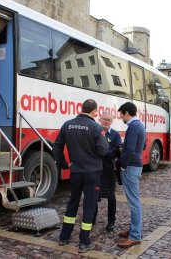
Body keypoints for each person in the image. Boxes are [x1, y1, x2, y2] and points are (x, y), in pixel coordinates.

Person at [52, 99, 109, 253]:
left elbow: (56, 147)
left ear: (81, 108)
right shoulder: (96, 127)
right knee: (89, 206)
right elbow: (103, 151)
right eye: (96, 112)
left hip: (75, 171)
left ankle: (64, 237)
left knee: (72, 203)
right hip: (92, 173)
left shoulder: (67, 124)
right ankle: (84, 242)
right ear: (93, 111)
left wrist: (65, 164)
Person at [116, 102, 146, 249]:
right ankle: (134, 229)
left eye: (121, 114)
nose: (121, 117)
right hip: (135, 165)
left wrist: (122, 164)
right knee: (134, 202)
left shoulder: (133, 127)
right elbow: (142, 146)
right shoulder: (140, 125)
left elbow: (129, 150)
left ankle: (135, 236)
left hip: (130, 167)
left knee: (134, 203)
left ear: (127, 113)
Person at [92, 112, 122, 232]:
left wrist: (109, 153)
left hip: (108, 169)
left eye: (108, 120)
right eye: (104, 119)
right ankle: (92, 218)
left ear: (112, 122)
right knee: (93, 195)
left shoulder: (115, 134)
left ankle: (111, 221)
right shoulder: (94, 131)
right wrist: (109, 152)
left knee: (111, 196)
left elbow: (117, 151)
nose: (106, 122)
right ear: (100, 119)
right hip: (95, 168)